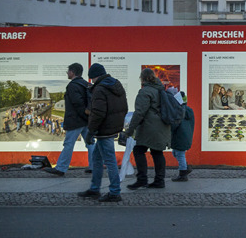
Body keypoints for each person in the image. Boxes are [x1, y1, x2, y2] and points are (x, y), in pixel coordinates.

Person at [77, 63, 128, 203]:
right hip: (111, 128)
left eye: (92, 78)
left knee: (109, 160)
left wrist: (90, 132)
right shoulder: (116, 85)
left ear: (94, 76)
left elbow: (97, 113)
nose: (91, 81)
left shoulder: (100, 89)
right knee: (97, 158)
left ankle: (115, 192)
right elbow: (124, 107)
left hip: (103, 130)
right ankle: (94, 188)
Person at [125, 68, 173, 190]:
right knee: (157, 152)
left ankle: (142, 179)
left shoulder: (145, 92)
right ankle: (159, 180)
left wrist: (130, 130)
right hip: (162, 126)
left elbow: (139, 113)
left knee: (138, 150)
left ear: (142, 78)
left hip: (149, 127)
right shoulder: (161, 89)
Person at [44, 63, 92, 176]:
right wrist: (87, 116)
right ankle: (94, 166)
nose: (67, 73)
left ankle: (61, 168)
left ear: (72, 72)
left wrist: (83, 115)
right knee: (90, 143)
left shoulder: (72, 85)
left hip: (76, 120)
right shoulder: (86, 84)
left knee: (69, 144)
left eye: (68, 71)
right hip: (86, 120)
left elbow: (77, 103)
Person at [171, 91, 195, 181]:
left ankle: (183, 174)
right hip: (186, 136)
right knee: (176, 153)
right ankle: (185, 167)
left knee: (180, 154)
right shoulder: (190, 110)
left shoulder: (179, 111)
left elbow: (175, 124)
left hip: (179, 136)